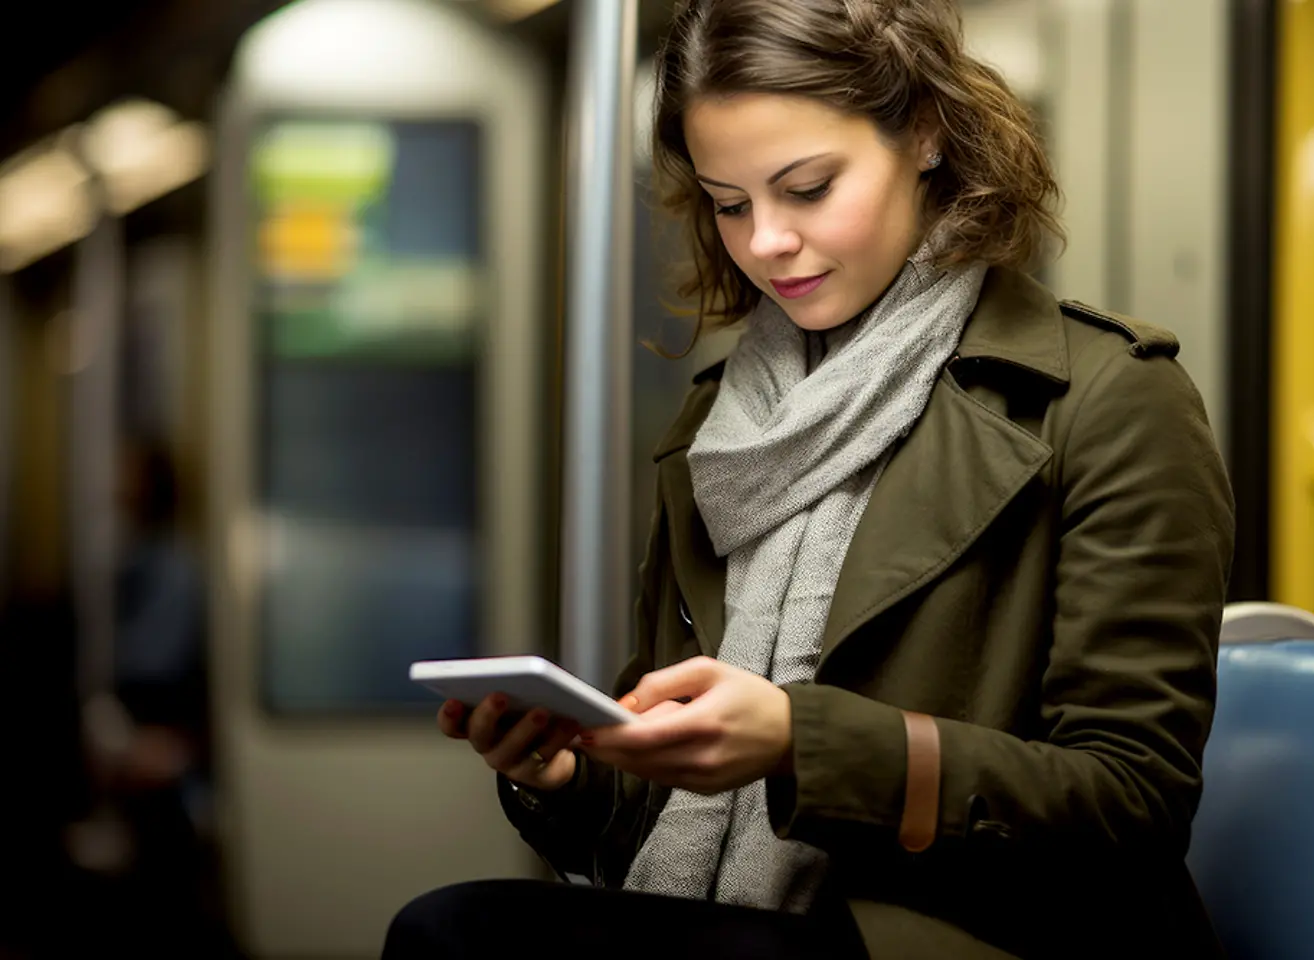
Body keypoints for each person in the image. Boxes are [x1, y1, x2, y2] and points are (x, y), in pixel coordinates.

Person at [384, 1, 1235, 957]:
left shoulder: (1112, 401)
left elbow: (1132, 808)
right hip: (758, 920)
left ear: (923, 133)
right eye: (730, 203)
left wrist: (804, 741)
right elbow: (658, 826)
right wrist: (564, 777)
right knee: (451, 927)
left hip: (960, 929)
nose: (767, 243)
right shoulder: (722, 420)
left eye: (808, 187)